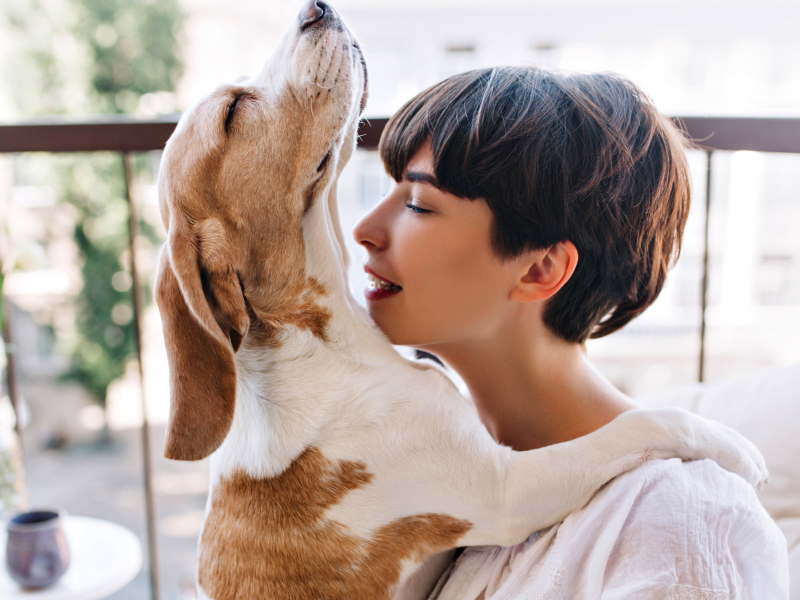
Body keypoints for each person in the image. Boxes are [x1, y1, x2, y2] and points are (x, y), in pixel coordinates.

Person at [352, 67, 789, 599]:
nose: (365, 230)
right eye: (388, 190)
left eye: (419, 205)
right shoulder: (424, 476)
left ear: (540, 270)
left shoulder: (676, 519)